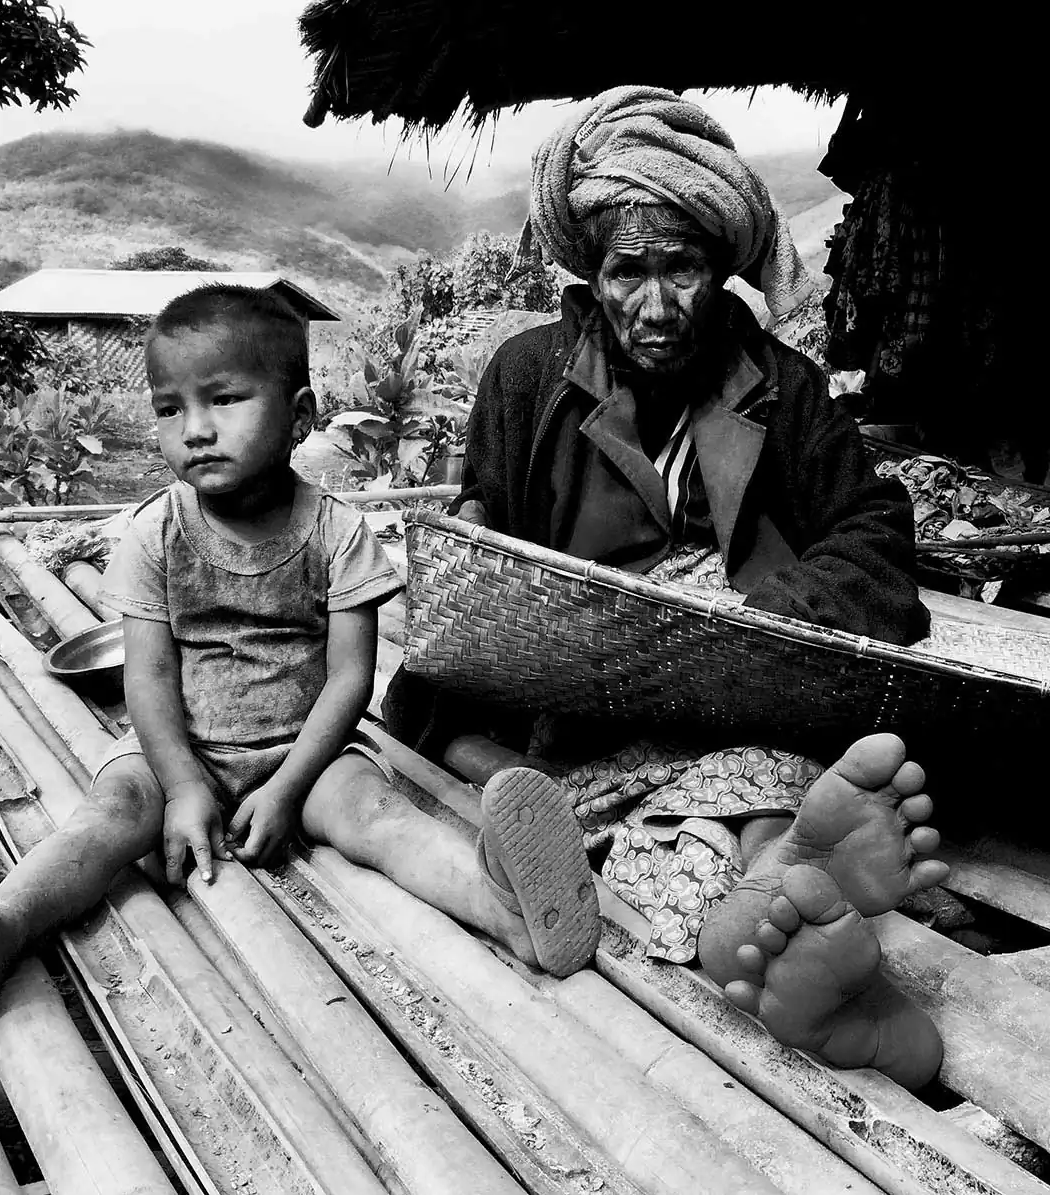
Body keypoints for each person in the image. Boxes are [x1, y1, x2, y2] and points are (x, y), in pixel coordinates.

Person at [385, 88, 949, 1088]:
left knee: (761, 781)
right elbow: (478, 557)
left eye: (681, 269)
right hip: (576, 714)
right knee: (562, 788)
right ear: (590, 273)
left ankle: (790, 897)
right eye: (626, 273)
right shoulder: (528, 377)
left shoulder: (776, 385)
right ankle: (786, 893)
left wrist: (755, 621)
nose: (655, 305)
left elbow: (874, 532)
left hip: (737, 700)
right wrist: (476, 566)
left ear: (720, 267)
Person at [0, 285, 601, 1029]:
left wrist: (288, 787)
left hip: (305, 752)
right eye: (169, 408)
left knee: (380, 813)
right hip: (173, 748)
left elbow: (351, 679)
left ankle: (505, 906)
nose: (194, 430)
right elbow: (147, 678)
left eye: (223, 400)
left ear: (302, 414)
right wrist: (184, 784)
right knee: (106, 817)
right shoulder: (155, 534)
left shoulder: (337, 533)